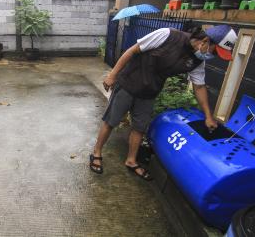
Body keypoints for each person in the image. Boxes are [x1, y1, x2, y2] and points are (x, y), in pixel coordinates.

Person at [89, 25, 238, 180]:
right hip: (129, 82)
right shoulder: (168, 35)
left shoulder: (198, 62)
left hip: (150, 91)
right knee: (111, 120)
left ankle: (131, 161)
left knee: (140, 127)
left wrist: (208, 116)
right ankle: (97, 153)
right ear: (205, 40)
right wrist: (113, 75)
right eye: (214, 51)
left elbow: (199, 87)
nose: (213, 56)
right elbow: (132, 50)